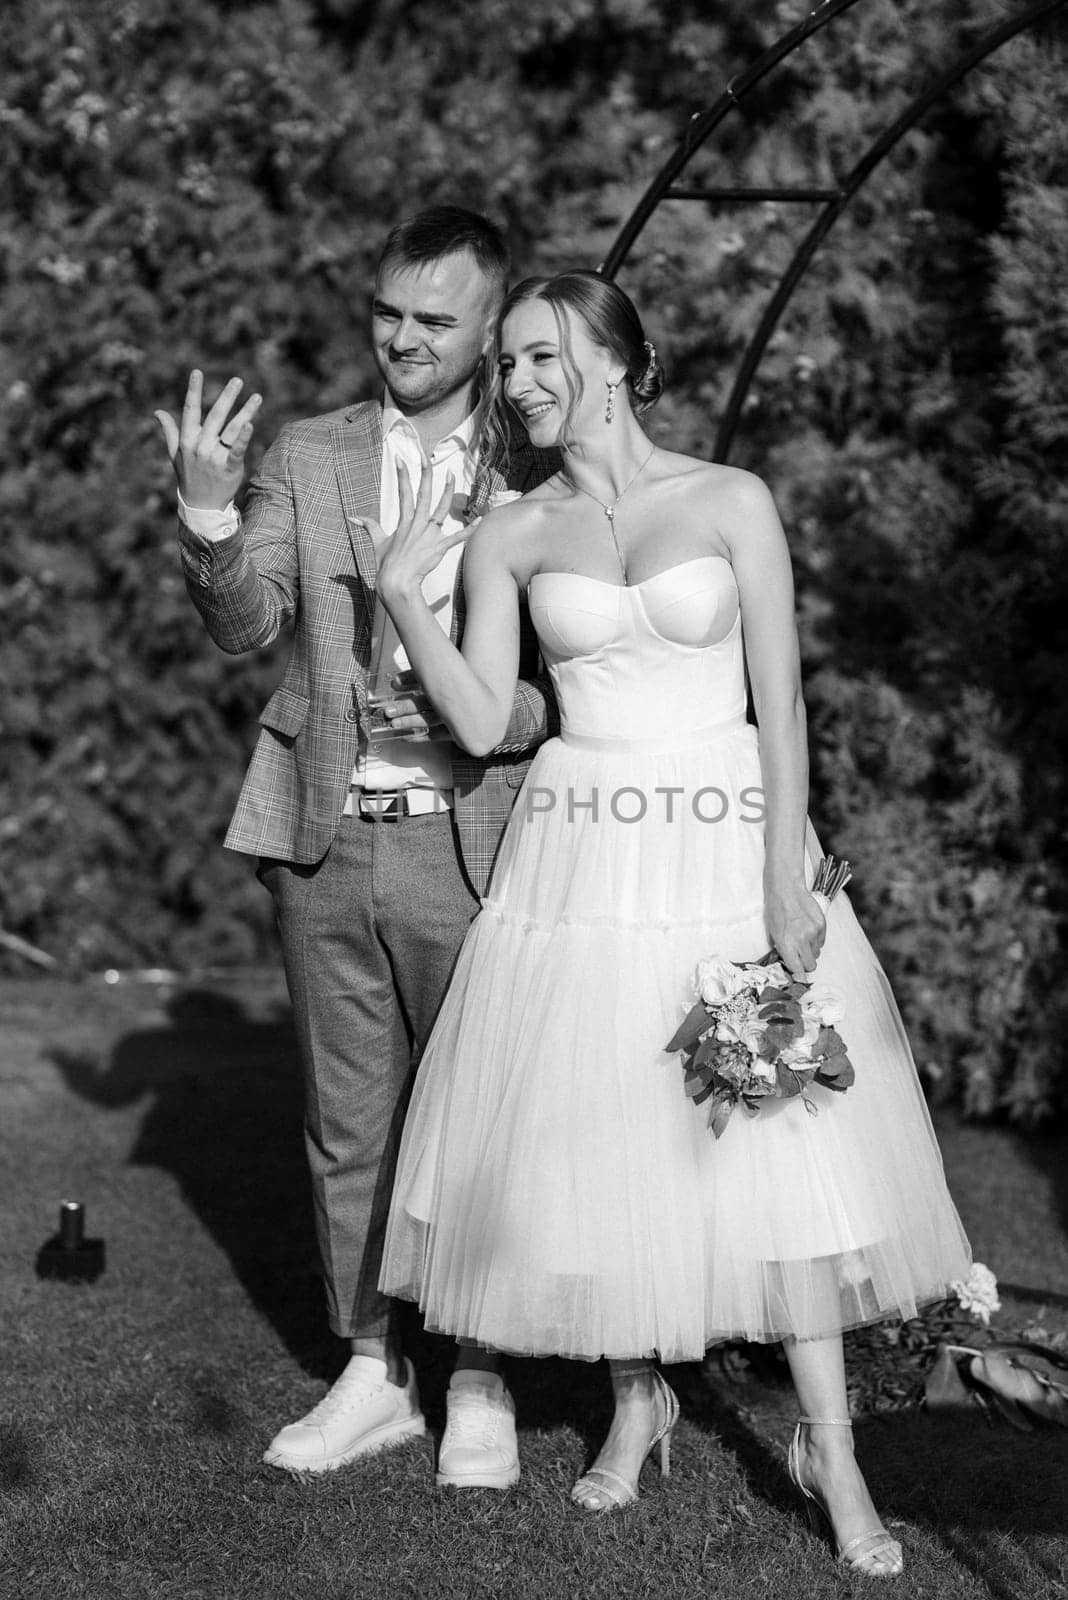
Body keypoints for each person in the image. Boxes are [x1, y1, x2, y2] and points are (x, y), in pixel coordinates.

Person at [372, 270, 972, 1576]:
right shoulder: (513, 534)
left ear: (612, 358)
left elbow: (785, 703)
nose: (518, 384)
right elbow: (480, 727)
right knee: (611, 1136)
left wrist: (780, 876)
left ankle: (835, 1454)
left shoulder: (730, 500)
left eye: (539, 359)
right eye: (511, 365)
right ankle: (638, 1404)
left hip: (721, 839)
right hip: (582, 861)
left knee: (779, 1143)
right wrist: (404, 595)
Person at [154, 207, 558, 1479]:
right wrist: (211, 516)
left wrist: (468, 712)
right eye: (388, 312)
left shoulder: (537, 472)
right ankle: (376, 1369)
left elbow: (566, 690)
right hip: (325, 836)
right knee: (348, 1124)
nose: (404, 339)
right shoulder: (311, 453)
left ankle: (481, 1370)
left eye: (436, 320)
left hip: (473, 836)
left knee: (480, 1117)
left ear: (492, 327)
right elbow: (244, 625)